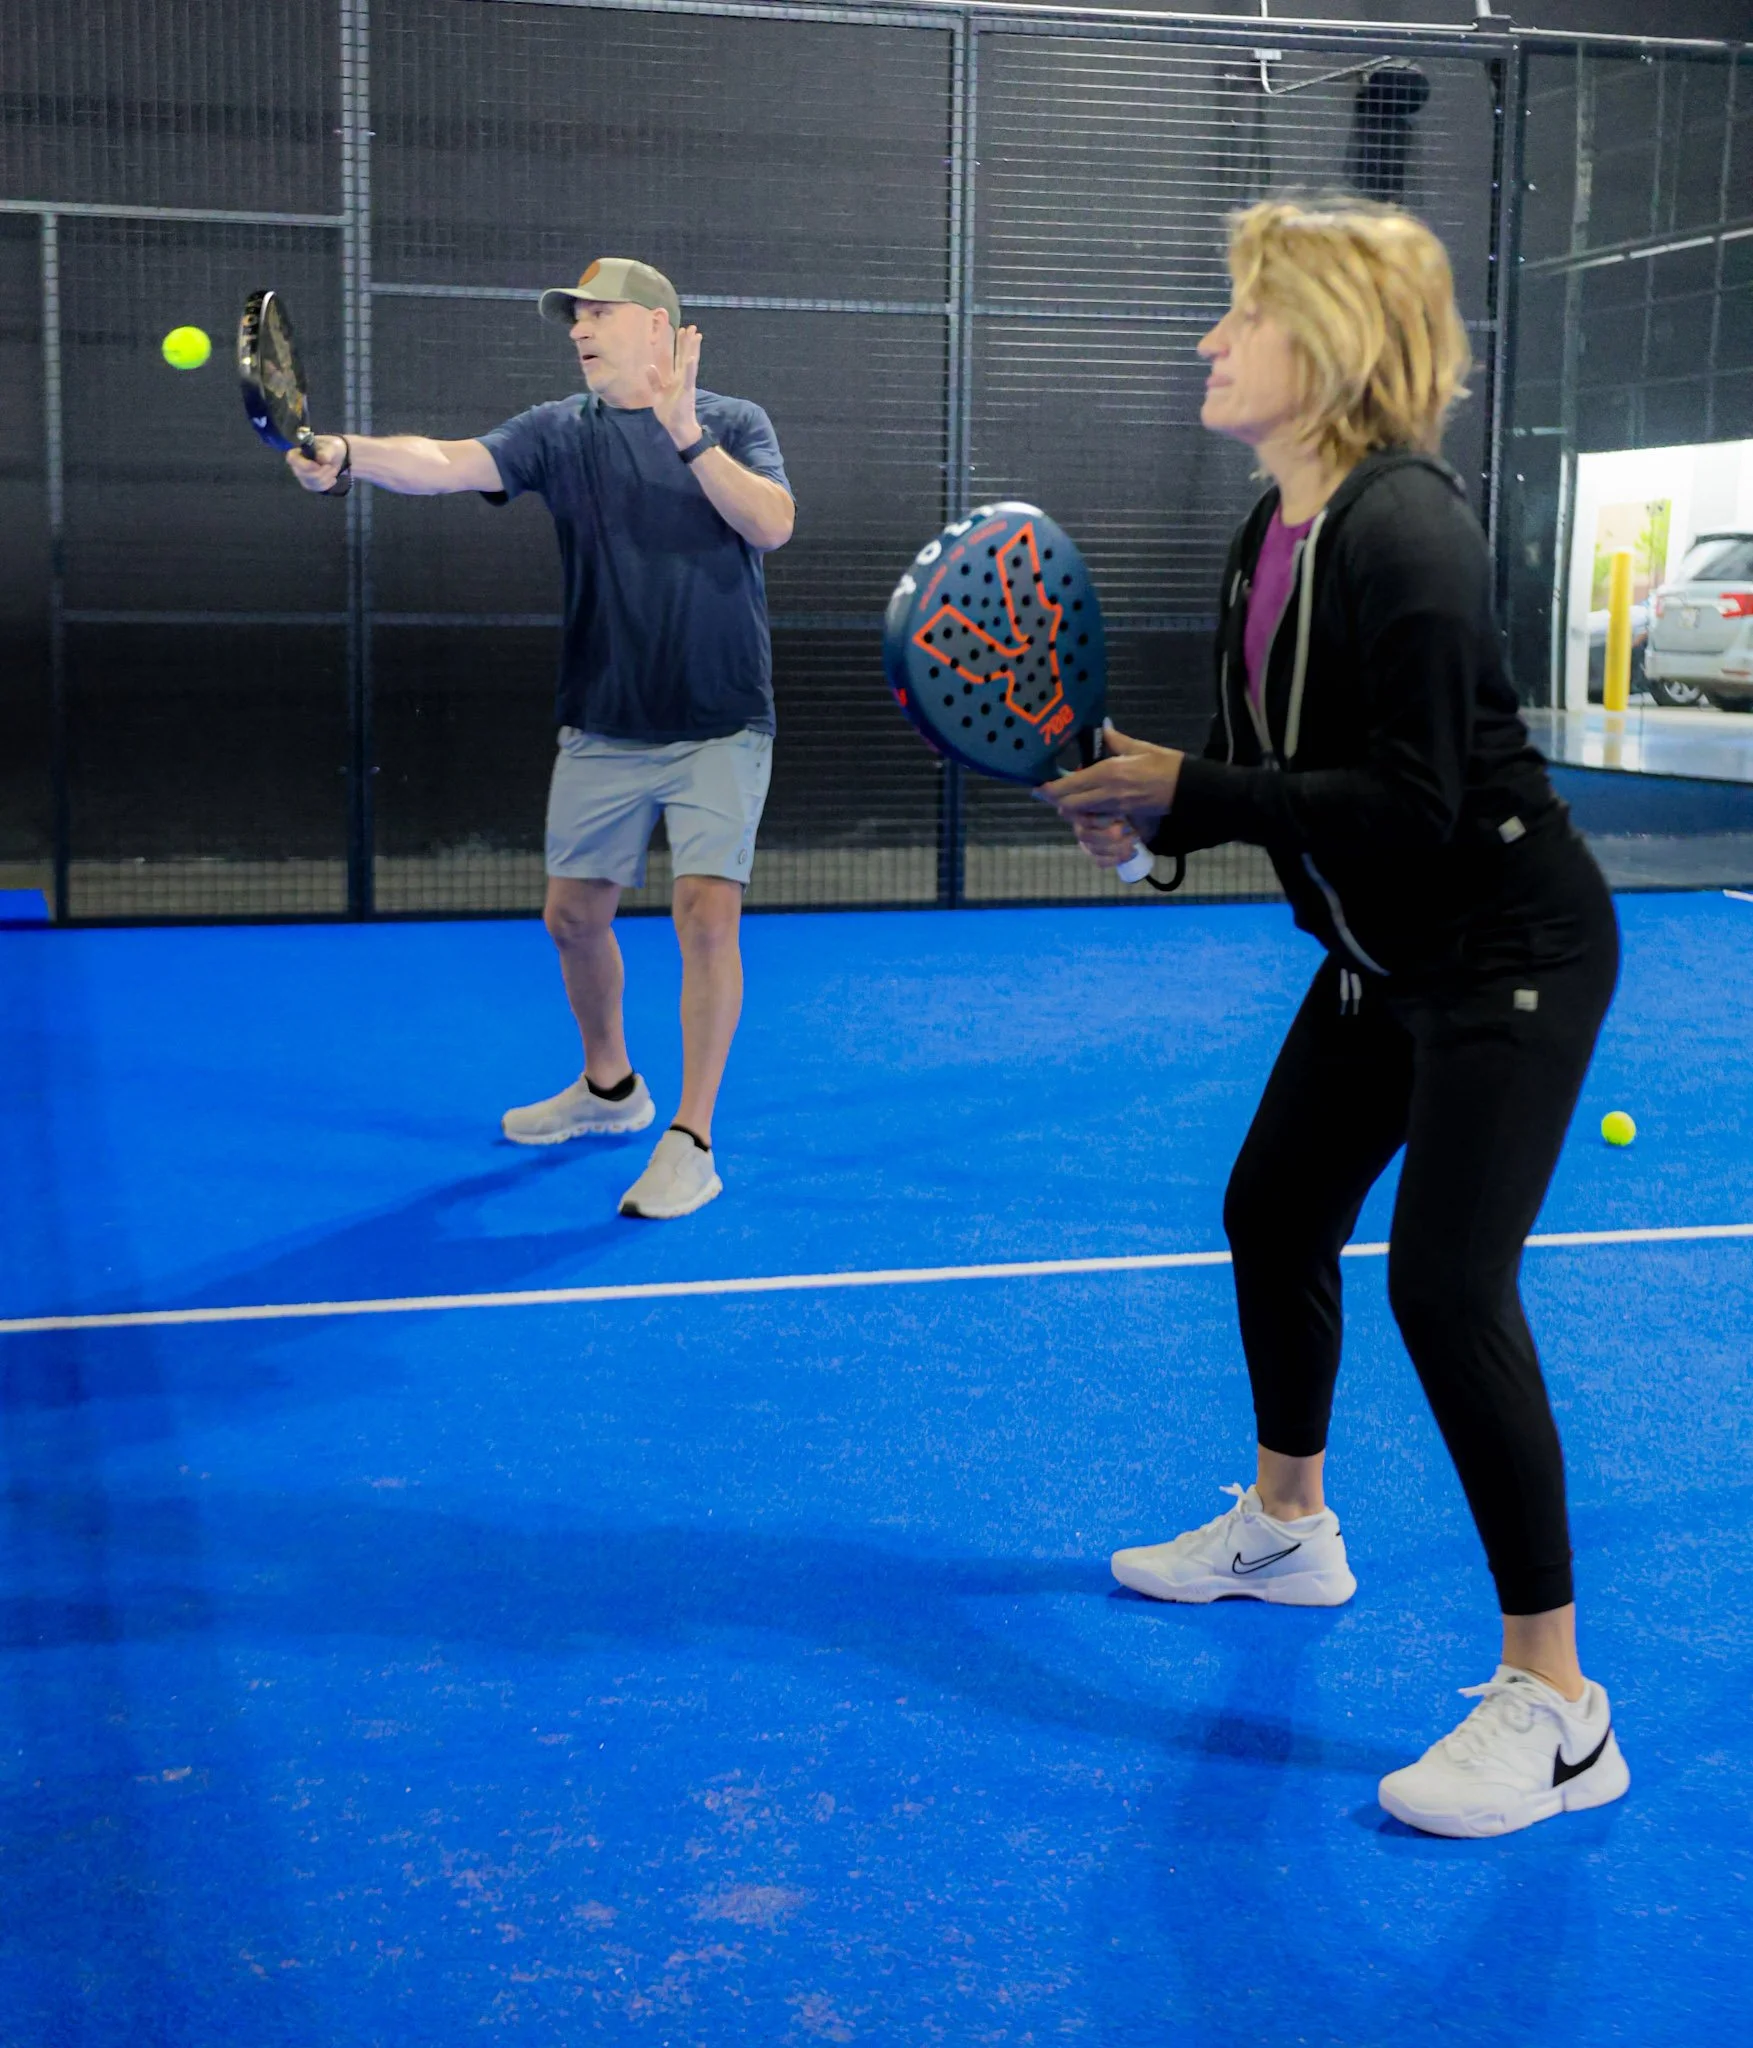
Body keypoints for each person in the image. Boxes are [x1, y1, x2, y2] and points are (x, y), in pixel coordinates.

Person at [1041, 199, 1629, 1839]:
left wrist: (1197, 788)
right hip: (1379, 956)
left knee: (1446, 1286)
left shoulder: (1405, 532)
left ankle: (1560, 1706)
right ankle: (1290, 1526)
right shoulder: (1266, 536)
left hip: (1506, 950)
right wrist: (1149, 827)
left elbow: (1420, 804)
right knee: (1274, 1200)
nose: (1208, 341)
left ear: (1329, 348)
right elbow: (1280, 793)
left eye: (1240, 315)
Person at [289, 258, 795, 1220]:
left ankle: (691, 1139)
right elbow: (444, 463)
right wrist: (345, 453)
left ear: (657, 327)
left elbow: (770, 526)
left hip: (719, 721)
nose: (577, 330)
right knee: (570, 917)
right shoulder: (560, 432)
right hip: (603, 721)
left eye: (597, 314)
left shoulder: (734, 421)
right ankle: (611, 1089)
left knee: (704, 911)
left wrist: (686, 436)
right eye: (574, 317)